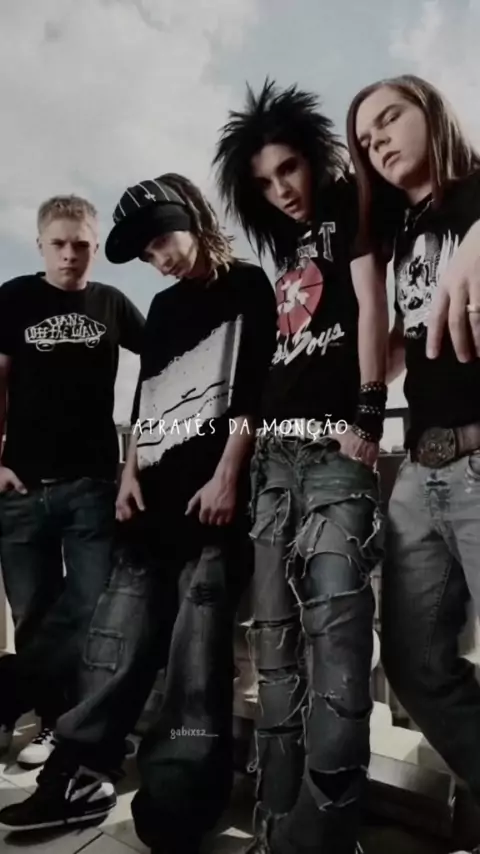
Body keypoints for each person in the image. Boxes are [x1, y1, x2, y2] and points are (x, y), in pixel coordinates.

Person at [0, 173, 277, 854]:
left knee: (194, 666)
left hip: (211, 508)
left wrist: (226, 476)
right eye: (148, 254)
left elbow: (253, 390)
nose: (159, 260)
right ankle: (76, 779)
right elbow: (148, 400)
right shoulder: (164, 305)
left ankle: (180, 808)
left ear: (190, 218)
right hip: (147, 505)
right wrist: (128, 472)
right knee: (112, 648)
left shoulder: (247, 285)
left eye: (161, 243)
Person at [213, 79, 388, 854]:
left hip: (333, 455)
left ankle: (325, 837)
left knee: (339, 657)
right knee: (275, 654)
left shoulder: (355, 202)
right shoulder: (287, 248)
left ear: (313, 156)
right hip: (272, 464)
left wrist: (370, 410)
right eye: (264, 181)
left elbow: (379, 305)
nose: (281, 188)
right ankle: (277, 828)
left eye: (289, 167)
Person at [347, 73, 480, 854]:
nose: (379, 143)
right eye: (366, 140)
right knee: (412, 662)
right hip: (418, 471)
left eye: (389, 119)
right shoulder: (402, 230)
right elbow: (400, 345)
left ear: (430, 110)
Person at [0, 194, 144, 768]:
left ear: (96, 247)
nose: (69, 255)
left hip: (91, 483)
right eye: (58, 244)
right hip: (21, 488)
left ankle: (40, 710)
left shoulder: (111, 303)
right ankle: (47, 720)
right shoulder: (13, 297)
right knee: (33, 611)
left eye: (81, 245)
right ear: (40, 244)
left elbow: (167, 356)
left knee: (92, 606)